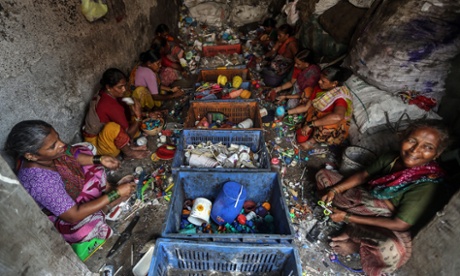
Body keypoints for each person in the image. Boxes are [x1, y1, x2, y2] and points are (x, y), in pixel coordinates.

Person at [316, 120, 451, 275]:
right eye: (412, 141)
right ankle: (352, 229)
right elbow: (362, 176)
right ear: (403, 138)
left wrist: (347, 217)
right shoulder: (392, 158)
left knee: (391, 251)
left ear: (437, 154)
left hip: (387, 222)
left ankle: (356, 244)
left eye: (428, 147)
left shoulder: (428, 183)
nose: (415, 150)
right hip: (366, 201)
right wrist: (335, 190)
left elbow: (400, 224)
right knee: (324, 177)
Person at [5, 120, 137, 260]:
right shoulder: (40, 182)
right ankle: (108, 206)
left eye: (58, 138)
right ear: (31, 156)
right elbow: (72, 215)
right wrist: (115, 195)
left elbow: (71, 153)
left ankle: (105, 192)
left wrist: (99, 159)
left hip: (66, 187)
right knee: (82, 231)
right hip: (63, 212)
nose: (61, 144)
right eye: (53, 146)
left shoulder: (46, 154)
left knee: (86, 149)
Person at [83, 68, 151, 159]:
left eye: (125, 85)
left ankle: (128, 146)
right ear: (108, 87)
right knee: (114, 128)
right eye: (120, 87)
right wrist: (138, 116)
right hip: (97, 148)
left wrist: (146, 114)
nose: (124, 89)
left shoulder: (106, 93)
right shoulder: (109, 104)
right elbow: (128, 134)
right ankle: (129, 153)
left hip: (101, 137)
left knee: (132, 120)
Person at [286, 66, 353, 150]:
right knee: (308, 94)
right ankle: (311, 129)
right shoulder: (319, 88)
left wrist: (311, 124)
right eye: (320, 79)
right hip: (318, 116)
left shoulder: (340, 97)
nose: (319, 82)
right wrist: (286, 112)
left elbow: (338, 116)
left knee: (330, 125)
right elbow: (306, 107)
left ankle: (312, 141)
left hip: (333, 124)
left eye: (323, 81)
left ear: (334, 83)